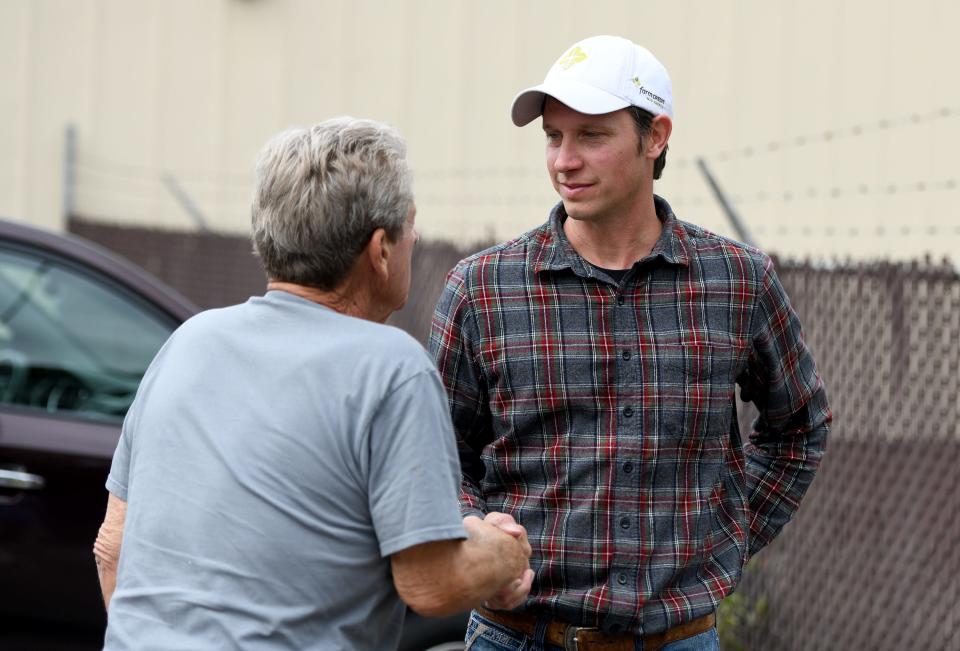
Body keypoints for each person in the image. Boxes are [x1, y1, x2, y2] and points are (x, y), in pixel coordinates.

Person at [430, 35, 831, 651]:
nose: (564, 160)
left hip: (678, 639)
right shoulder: (483, 289)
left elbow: (798, 425)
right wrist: (475, 530)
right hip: (515, 635)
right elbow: (434, 451)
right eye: (553, 136)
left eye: (591, 135)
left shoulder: (736, 281)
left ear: (656, 136)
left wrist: (728, 531)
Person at [93, 117, 534, 651]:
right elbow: (431, 583)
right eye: (409, 225)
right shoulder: (391, 366)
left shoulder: (189, 342)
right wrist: (505, 553)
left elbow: (112, 549)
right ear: (380, 250)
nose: (415, 237)